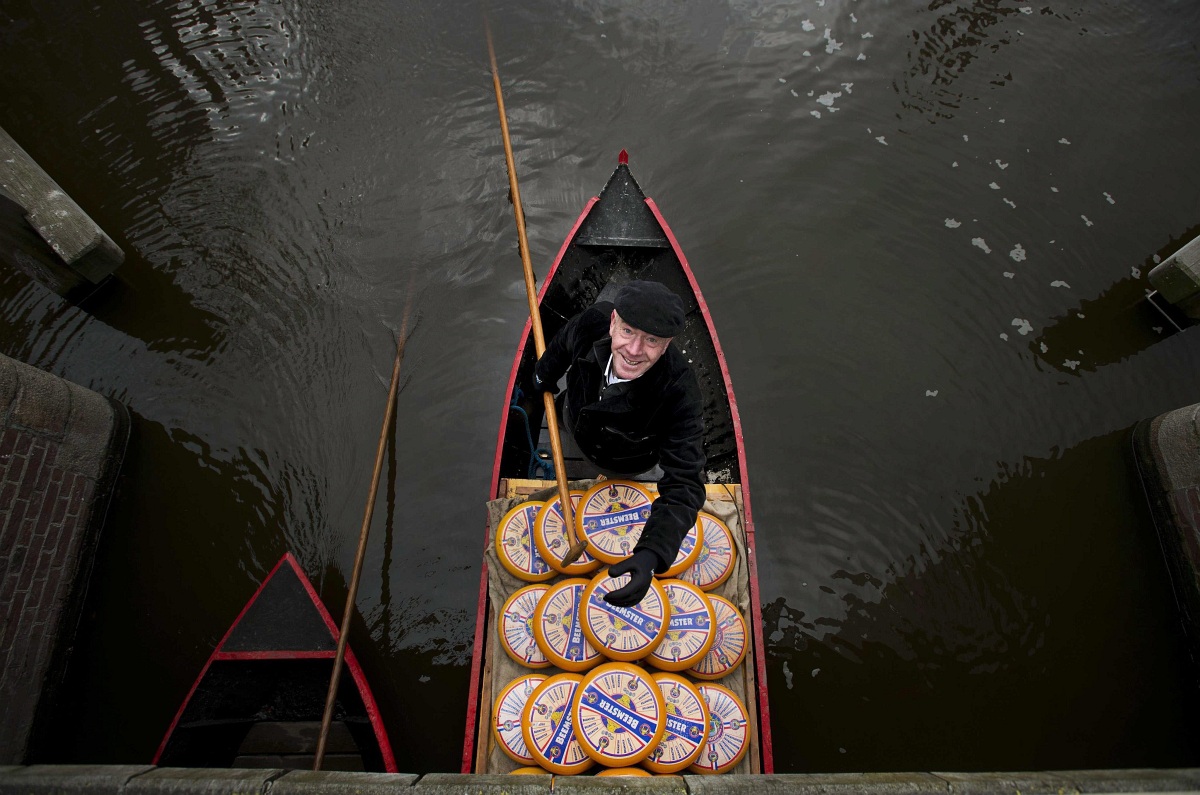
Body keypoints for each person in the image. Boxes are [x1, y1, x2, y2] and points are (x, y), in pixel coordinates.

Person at [533, 279, 706, 607]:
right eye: (627, 332)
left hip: (626, 462)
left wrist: (652, 553)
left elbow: (685, 486)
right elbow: (560, 348)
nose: (634, 350)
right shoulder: (591, 323)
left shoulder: (680, 392)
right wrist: (541, 376)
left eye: (651, 339)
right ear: (613, 322)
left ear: (667, 343)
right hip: (573, 422)